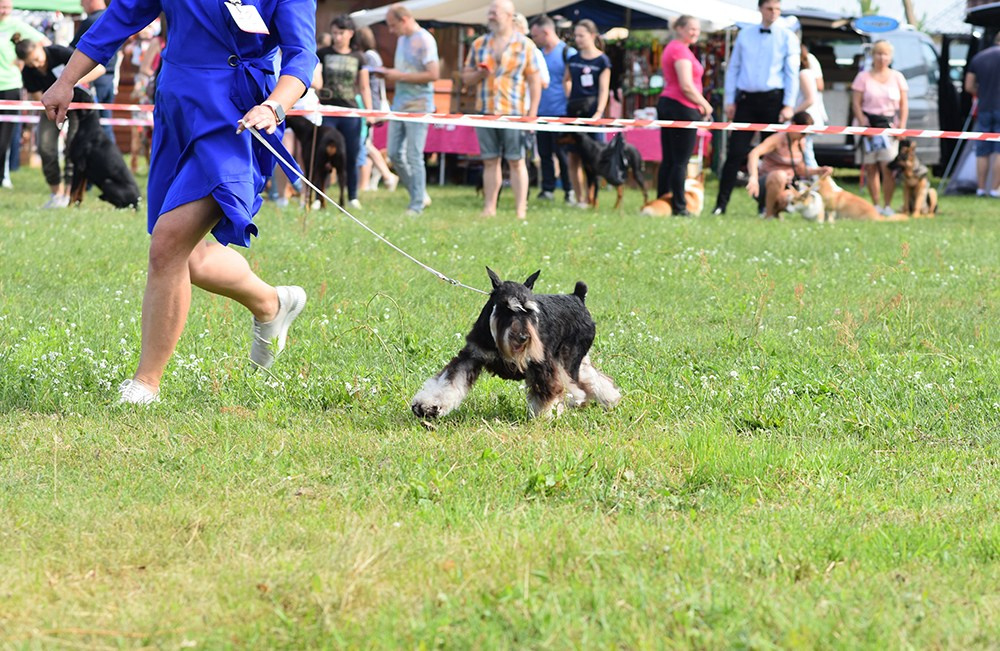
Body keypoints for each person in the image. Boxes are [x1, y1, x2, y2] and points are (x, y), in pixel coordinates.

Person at [41, 0, 319, 405]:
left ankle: (145, 384)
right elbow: (122, 16)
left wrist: (275, 105)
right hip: (177, 110)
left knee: (168, 244)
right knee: (185, 257)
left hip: (237, 117)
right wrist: (67, 79)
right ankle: (271, 302)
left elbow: (302, 53)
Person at [713, 0, 799, 215]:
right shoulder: (745, 34)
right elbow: (733, 68)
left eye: (777, 9)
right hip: (746, 100)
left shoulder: (787, 36)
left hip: (773, 100)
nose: (774, 13)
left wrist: (789, 104)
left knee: (769, 156)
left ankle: (765, 207)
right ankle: (720, 205)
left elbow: (791, 73)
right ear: (760, 9)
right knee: (735, 152)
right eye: (770, 8)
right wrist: (729, 101)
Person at [461, 0, 541, 219]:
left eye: (494, 13)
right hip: (485, 110)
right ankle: (489, 207)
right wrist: (479, 74)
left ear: (509, 15)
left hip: (513, 111)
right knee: (490, 160)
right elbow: (466, 77)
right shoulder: (479, 44)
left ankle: (520, 210)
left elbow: (535, 80)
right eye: (489, 13)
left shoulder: (525, 45)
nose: (491, 17)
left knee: (516, 160)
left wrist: (532, 113)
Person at [15, 35, 102, 208]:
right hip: (52, 109)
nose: (37, 65)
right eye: (31, 63)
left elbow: (99, 69)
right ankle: (56, 194)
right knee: (45, 147)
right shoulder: (28, 72)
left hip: (78, 105)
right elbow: (37, 96)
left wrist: (69, 83)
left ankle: (70, 194)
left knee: (73, 147)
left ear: (41, 46)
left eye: (37, 59)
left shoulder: (60, 53)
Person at [382, 4, 439, 215]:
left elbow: (433, 74)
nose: (391, 30)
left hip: (420, 105)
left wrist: (400, 76)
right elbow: (404, 69)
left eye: (393, 25)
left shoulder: (424, 39)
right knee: (395, 153)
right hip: (399, 104)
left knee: (414, 155)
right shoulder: (402, 39)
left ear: (404, 20)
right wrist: (388, 73)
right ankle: (419, 193)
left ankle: (416, 204)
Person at [657, 15, 713, 216]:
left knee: (670, 160)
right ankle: (679, 207)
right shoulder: (679, 50)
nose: (695, 32)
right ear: (679, 28)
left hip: (671, 104)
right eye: (691, 29)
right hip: (682, 106)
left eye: (697, 29)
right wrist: (705, 105)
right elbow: (686, 85)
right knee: (680, 161)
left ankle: (663, 200)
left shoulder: (676, 48)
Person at [317, 15, 372, 209]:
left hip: (350, 112)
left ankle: (352, 196)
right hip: (327, 110)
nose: (337, 37)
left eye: (340, 33)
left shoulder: (359, 57)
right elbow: (316, 80)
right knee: (321, 155)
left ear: (350, 33)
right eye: (334, 33)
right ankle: (318, 198)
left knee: (351, 154)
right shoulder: (322, 53)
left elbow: (364, 87)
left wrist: (369, 112)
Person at [851, 39, 907, 216]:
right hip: (868, 124)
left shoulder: (897, 77)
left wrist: (902, 127)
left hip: (889, 126)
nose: (882, 58)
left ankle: (888, 205)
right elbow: (856, 103)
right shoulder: (863, 77)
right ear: (872, 56)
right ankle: (875, 204)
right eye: (878, 54)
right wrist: (863, 124)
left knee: (888, 167)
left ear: (890, 57)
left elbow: (904, 104)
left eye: (885, 54)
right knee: (871, 167)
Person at [746, 111, 831, 218]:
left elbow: (800, 169)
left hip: (788, 184)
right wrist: (753, 177)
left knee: (791, 195)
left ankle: (776, 213)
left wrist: (819, 171)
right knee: (779, 176)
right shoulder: (777, 139)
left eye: (807, 133)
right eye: (803, 133)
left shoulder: (801, 143)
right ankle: (768, 214)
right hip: (765, 184)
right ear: (793, 125)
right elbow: (754, 153)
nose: (804, 136)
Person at [0, 0, 48, 190]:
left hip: (10, 85)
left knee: (4, 138)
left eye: (7, 7)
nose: (4, 11)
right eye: (1, 7)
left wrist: (23, 60)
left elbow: (44, 43)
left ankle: (4, 176)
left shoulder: (17, 25)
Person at [563, 19, 610, 209]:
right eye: (576, 35)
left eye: (581, 35)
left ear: (592, 36)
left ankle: (593, 196)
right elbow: (566, 80)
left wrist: (598, 112)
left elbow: (604, 89)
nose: (578, 39)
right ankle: (579, 197)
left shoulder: (602, 60)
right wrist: (570, 97)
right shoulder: (573, 59)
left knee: (592, 156)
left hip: (592, 112)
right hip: (574, 111)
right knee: (573, 156)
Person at [529, 14, 573, 203]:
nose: (534, 39)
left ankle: (569, 189)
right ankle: (547, 189)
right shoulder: (537, 55)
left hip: (561, 113)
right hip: (541, 112)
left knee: (563, 155)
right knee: (544, 154)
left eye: (536, 35)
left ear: (546, 32)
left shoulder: (567, 53)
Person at [352, 25, 398, 194]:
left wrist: (369, 109)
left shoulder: (368, 57)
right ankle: (373, 180)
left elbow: (366, 84)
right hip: (371, 102)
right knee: (366, 143)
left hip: (369, 103)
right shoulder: (374, 56)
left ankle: (386, 175)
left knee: (365, 143)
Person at [71, 0, 117, 143]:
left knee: (94, 125)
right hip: (110, 79)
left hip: (94, 78)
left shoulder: (91, 21)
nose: (81, 5)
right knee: (106, 123)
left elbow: (73, 51)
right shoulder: (113, 17)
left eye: (82, 1)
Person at [964, 31, 1000, 197]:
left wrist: (981, 93)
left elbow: (969, 86)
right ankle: (994, 189)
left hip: (984, 108)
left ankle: (980, 188)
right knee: (999, 151)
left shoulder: (979, 57)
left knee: (982, 150)